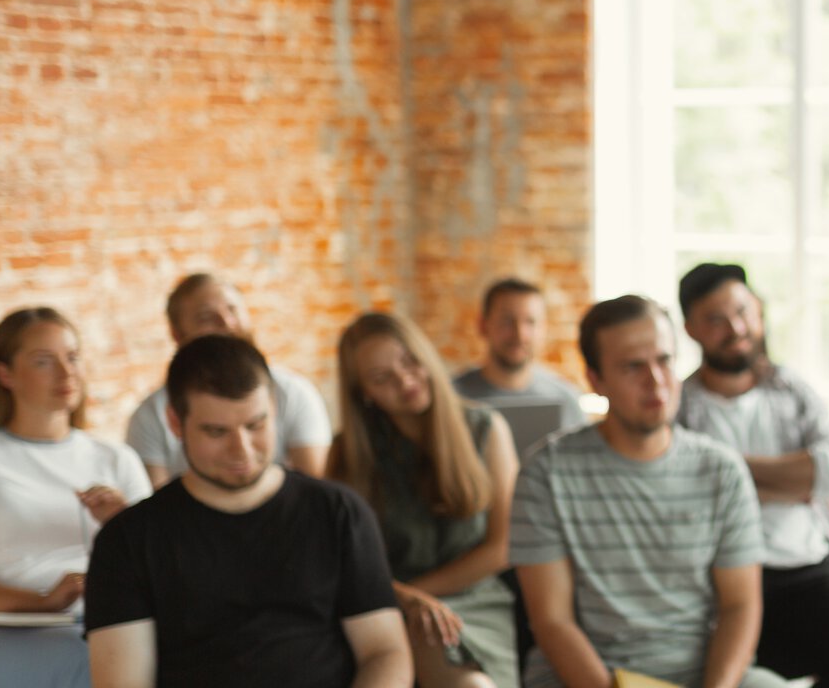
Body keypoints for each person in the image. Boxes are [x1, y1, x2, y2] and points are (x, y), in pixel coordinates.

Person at [85, 335, 412, 688]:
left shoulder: (337, 512)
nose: (241, 449)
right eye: (217, 431)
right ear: (176, 423)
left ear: (273, 408)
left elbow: (385, 653)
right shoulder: (127, 541)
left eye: (255, 425)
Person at [510, 295, 785, 688]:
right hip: (588, 677)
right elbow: (552, 622)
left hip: (700, 673)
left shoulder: (721, 470)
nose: (655, 380)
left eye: (664, 360)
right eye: (632, 367)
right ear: (596, 380)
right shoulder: (545, 473)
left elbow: (740, 606)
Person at [673, 264, 829, 688]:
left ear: (759, 311)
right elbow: (685, 488)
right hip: (721, 572)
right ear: (691, 329)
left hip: (808, 561)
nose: (736, 328)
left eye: (743, 311)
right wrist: (795, 476)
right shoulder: (680, 407)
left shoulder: (792, 389)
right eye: (716, 320)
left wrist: (733, 468)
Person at [0, 307, 151, 687]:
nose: (66, 373)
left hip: (101, 627)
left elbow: (162, 571)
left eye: (73, 357)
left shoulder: (117, 460)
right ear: (5, 374)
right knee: (93, 663)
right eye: (44, 361)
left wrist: (123, 525)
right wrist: (44, 600)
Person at [331, 313, 521, 687]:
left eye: (409, 361)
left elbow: (503, 547)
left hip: (477, 600)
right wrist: (404, 599)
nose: (405, 381)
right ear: (363, 393)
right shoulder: (349, 453)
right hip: (390, 605)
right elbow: (340, 560)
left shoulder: (485, 428)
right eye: (382, 378)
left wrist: (421, 593)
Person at [125, 273, 333, 486]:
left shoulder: (295, 392)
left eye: (233, 310)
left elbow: (313, 488)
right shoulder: (149, 417)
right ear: (177, 334)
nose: (227, 323)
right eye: (206, 317)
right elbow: (156, 505)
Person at [452, 278, 589, 433]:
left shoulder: (567, 400)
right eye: (507, 321)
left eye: (530, 322)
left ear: (543, 328)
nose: (519, 334)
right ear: (483, 325)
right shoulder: (451, 396)